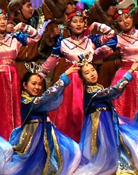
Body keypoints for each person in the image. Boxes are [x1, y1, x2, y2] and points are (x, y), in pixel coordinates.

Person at [65, 59, 138, 175]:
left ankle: (123, 169)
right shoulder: (91, 91)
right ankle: (113, 169)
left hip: (108, 121)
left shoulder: (98, 87)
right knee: (109, 148)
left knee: (132, 140)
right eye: (87, 73)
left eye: (92, 70)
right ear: (82, 77)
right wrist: (130, 72)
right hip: (100, 125)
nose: (92, 74)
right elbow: (113, 91)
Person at [0, 8, 48, 139]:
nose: (2, 22)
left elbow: (36, 37)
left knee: (12, 106)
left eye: (4, 19)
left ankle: (12, 136)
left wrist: (23, 26)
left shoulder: (15, 38)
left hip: (12, 77)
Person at [40, 11, 117, 140]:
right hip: (72, 83)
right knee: (74, 113)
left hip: (89, 81)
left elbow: (111, 34)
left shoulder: (91, 40)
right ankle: (73, 140)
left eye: (81, 21)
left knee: (90, 111)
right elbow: (51, 61)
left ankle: (90, 140)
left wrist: (96, 25)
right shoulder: (63, 42)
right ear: (69, 25)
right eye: (75, 22)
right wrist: (39, 74)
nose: (78, 24)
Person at [0, 64, 81, 175]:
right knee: (27, 162)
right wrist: (64, 77)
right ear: (24, 85)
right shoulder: (26, 101)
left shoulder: (34, 100)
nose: (37, 87)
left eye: (39, 84)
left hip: (45, 134)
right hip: (33, 137)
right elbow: (45, 97)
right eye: (33, 84)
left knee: (72, 150)